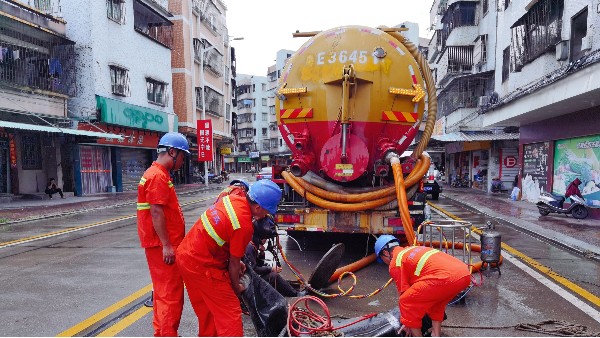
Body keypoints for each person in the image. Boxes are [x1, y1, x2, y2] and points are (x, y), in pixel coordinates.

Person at [176, 179, 282, 337]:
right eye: (267, 211)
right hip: (203, 266)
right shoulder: (244, 226)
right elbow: (232, 265)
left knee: (208, 314)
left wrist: (237, 261)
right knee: (230, 313)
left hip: (186, 257)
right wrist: (236, 288)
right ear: (258, 207)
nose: (266, 215)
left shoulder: (232, 199)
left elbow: (223, 237)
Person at [137, 132, 189, 337]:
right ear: (172, 152)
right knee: (170, 294)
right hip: (163, 246)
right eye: (183, 156)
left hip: (158, 244)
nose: (183, 162)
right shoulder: (157, 176)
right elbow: (156, 212)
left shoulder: (156, 173)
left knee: (162, 293)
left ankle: (162, 333)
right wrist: (167, 245)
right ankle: (167, 334)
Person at [374, 235, 471, 337]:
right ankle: (436, 335)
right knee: (436, 303)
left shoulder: (395, 262)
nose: (385, 263)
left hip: (446, 278)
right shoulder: (412, 249)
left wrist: (407, 321)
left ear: (385, 253)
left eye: (382, 259)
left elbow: (405, 294)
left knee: (405, 301)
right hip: (464, 275)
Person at [244, 218, 304, 298]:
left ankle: (288, 290)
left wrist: (261, 253)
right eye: (264, 239)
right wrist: (271, 269)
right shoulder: (249, 247)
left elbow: (259, 264)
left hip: (250, 279)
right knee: (273, 276)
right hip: (248, 283)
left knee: (271, 274)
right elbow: (254, 270)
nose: (265, 241)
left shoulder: (253, 245)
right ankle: (296, 294)